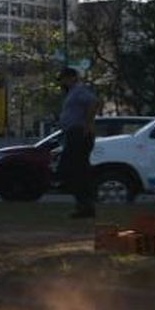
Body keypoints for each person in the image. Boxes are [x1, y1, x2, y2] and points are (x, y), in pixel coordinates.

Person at [57, 66, 100, 219]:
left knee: (72, 168)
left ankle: (85, 204)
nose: (63, 82)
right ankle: (84, 205)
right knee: (77, 170)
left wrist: (88, 124)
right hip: (73, 133)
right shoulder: (71, 93)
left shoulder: (79, 90)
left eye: (65, 78)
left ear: (73, 77)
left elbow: (93, 102)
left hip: (79, 134)